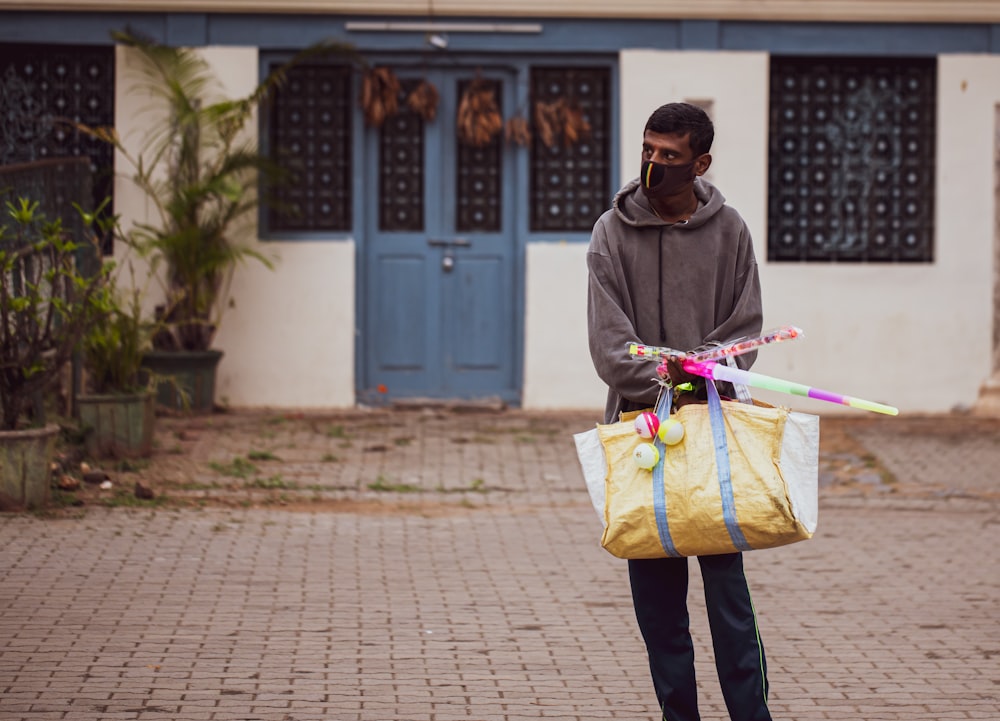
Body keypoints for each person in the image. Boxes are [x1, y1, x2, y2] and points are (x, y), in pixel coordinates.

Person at [586, 102, 771, 721]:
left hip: (715, 431)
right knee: (659, 607)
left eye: (670, 156)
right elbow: (611, 348)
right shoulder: (610, 232)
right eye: (648, 150)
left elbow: (744, 333)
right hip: (642, 433)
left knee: (728, 599)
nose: (655, 164)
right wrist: (666, 375)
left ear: (701, 162)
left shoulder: (731, 231)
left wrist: (706, 371)